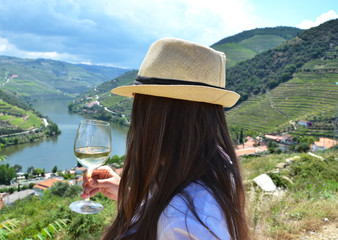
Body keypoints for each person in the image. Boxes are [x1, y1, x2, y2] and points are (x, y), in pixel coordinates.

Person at [82, 38, 250, 240]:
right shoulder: (213, 162)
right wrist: (127, 195)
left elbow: (173, 218)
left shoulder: (182, 224)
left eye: (139, 101)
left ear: (157, 115)